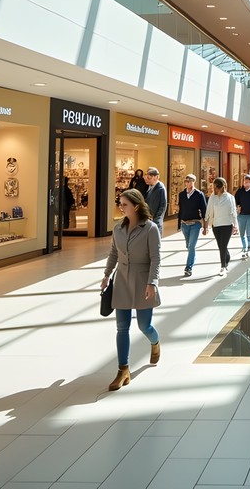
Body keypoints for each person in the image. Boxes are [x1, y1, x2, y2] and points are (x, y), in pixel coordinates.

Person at [101, 188, 161, 391]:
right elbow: (113, 253)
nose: (120, 206)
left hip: (143, 280)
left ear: (135, 206)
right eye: (120, 203)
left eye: (124, 204)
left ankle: (155, 342)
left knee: (144, 326)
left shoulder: (151, 229)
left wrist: (152, 282)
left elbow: (156, 258)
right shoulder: (118, 229)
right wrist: (107, 275)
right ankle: (123, 369)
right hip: (122, 281)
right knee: (122, 327)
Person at [205, 177, 238, 276]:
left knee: (223, 246)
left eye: (213, 186)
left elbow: (234, 212)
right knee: (221, 246)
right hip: (216, 225)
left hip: (227, 225)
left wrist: (235, 225)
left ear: (219, 187)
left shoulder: (230, 197)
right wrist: (206, 225)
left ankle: (223, 266)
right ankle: (226, 257)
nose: (212, 188)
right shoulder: (212, 197)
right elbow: (208, 210)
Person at [176, 174, 207, 278]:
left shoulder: (199, 194)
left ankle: (188, 267)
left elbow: (204, 210)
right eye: (187, 181)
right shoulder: (181, 194)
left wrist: (205, 226)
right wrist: (179, 224)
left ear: (194, 182)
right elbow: (180, 210)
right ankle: (192, 257)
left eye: (191, 181)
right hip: (184, 224)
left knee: (191, 246)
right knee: (188, 245)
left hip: (195, 224)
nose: (188, 183)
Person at [143, 167, 167, 237]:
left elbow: (163, 205)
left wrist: (157, 219)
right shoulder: (150, 187)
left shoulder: (160, 188)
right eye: (146, 177)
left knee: (155, 242)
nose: (147, 180)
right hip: (148, 220)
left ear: (156, 177)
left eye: (149, 178)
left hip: (155, 221)